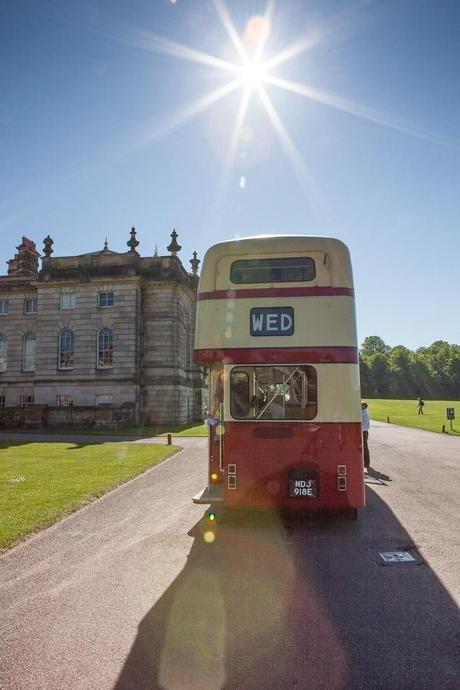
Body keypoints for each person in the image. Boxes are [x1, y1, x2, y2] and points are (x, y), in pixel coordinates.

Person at [361, 401, 370, 470]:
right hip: (364, 431)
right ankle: (366, 462)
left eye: (361, 405)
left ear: (364, 406)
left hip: (364, 432)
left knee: (365, 447)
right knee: (364, 447)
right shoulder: (364, 412)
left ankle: (366, 463)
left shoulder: (364, 413)